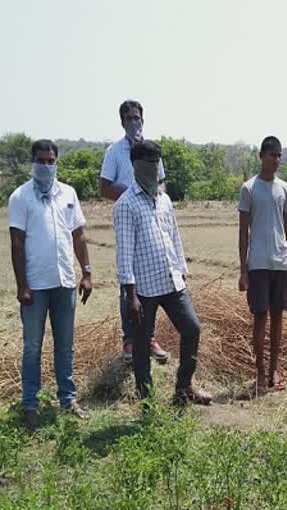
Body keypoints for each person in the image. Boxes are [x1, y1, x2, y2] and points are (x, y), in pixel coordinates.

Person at [115, 140, 211, 406]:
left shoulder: (164, 200)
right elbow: (124, 252)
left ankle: (184, 388)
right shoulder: (126, 204)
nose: (153, 168)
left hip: (171, 280)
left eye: (156, 162)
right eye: (148, 163)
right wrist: (129, 295)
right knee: (142, 345)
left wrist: (181, 270)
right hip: (143, 289)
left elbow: (174, 238)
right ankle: (146, 400)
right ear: (135, 166)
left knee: (192, 329)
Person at [8, 139, 93, 431]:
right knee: (32, 347)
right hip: (35, 286)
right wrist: (22, 286)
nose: (46, 166)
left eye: (51, 161)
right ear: (32, 162)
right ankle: (30, 404)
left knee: (65, 346)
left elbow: (78, 235)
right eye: (41, 161)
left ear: (57, 162)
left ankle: (68, 399)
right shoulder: (20, 197)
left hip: (65, 282)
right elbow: (16, 244)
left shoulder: (67, 193)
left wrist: (87, 272)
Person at [100, 99, 169, 364]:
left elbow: (160, 183)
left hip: (151, 220)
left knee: (152, 278)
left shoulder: (151, 150)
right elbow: (104, 188)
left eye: (137, 118)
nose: (134, 122)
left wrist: (154, 195)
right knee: (129, 280)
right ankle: (129, 339)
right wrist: (134, 194)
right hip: (129, 218)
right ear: (121, 122)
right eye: (129, 118)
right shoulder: (114, 152)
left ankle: (149, 337)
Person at [238, 136, 287, 395]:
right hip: (258, 264)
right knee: (260, 318)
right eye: (272, 154)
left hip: (280, 263)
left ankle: (274, 370)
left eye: (279, 155)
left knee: (278, 318)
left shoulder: (284, 188)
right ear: (261, 156)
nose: (276, 159)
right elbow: (243, 232)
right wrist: (243, 270)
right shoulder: (249, 188)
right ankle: (260, 373)